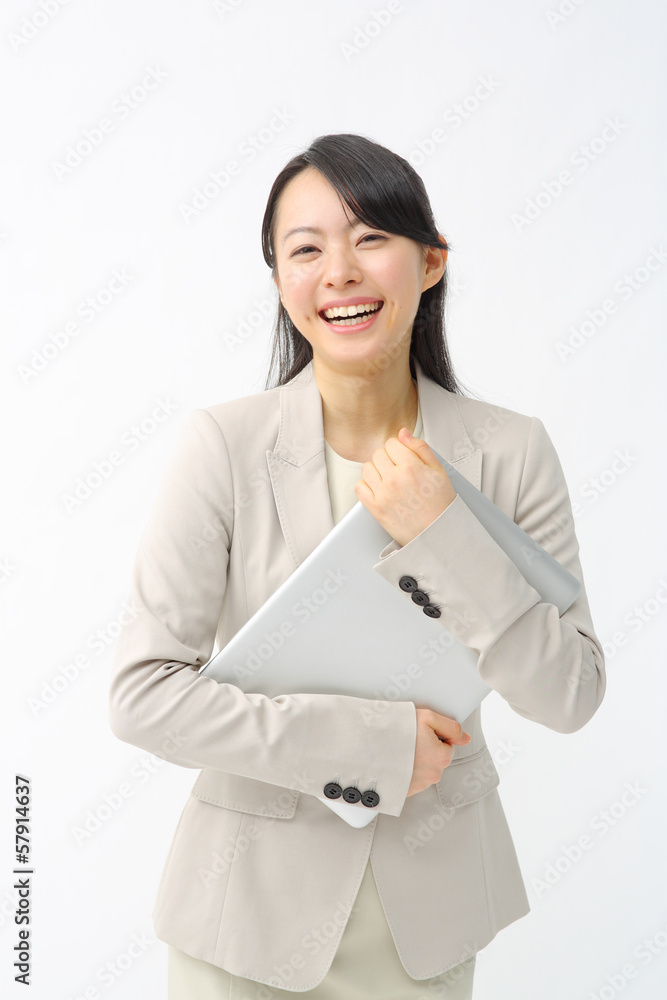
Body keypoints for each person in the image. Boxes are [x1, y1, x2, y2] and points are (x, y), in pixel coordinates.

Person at [108, 132, 606, 998]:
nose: (338, 271)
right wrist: (371, 747)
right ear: (279, 281)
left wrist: (442, 533)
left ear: (431, 261)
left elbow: (569, 696)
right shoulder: (223, 445)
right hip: (242, 926)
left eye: (370, 237)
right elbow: (143, 696)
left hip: (428, 929)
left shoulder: (510, 450)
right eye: (305, 250)